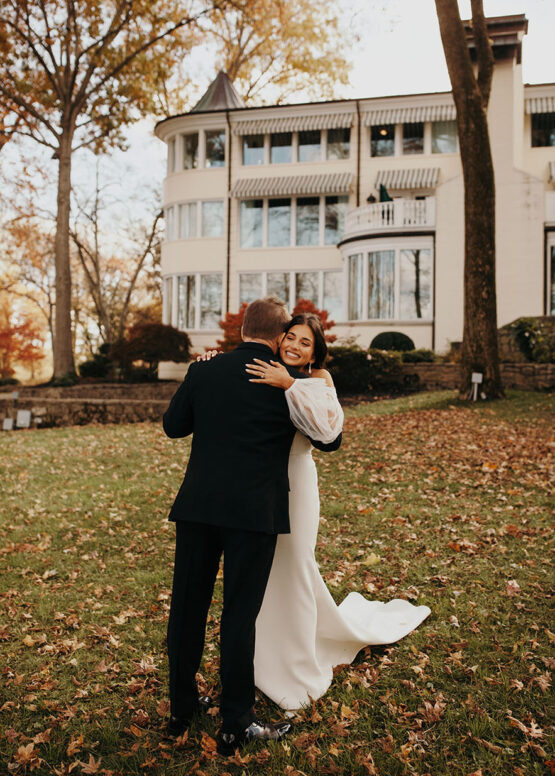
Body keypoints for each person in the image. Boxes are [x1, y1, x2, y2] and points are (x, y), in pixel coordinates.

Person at [162, 297, 341, 757]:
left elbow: (173, 426)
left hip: (199, 508)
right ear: (281, 336)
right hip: (255, 514)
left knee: (187, 609)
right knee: (239, 616)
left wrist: (200, 373)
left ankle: (180, 711)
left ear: (241, 328)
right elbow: (329, 439)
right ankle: (233, 725)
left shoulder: (207, 370)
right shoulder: (290, 382)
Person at [242, 313, 432, 709]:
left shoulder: (318, 380)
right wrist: (211, 358)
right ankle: (264, 658)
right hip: (259, 487)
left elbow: (330, 439)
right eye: (289, 337)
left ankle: (296, 664)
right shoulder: (264, 369)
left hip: (297, 484)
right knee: (269, 571)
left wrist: (291, 385)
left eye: (304, 342)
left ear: (316, 351)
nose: (293, 346)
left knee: (296, 564)